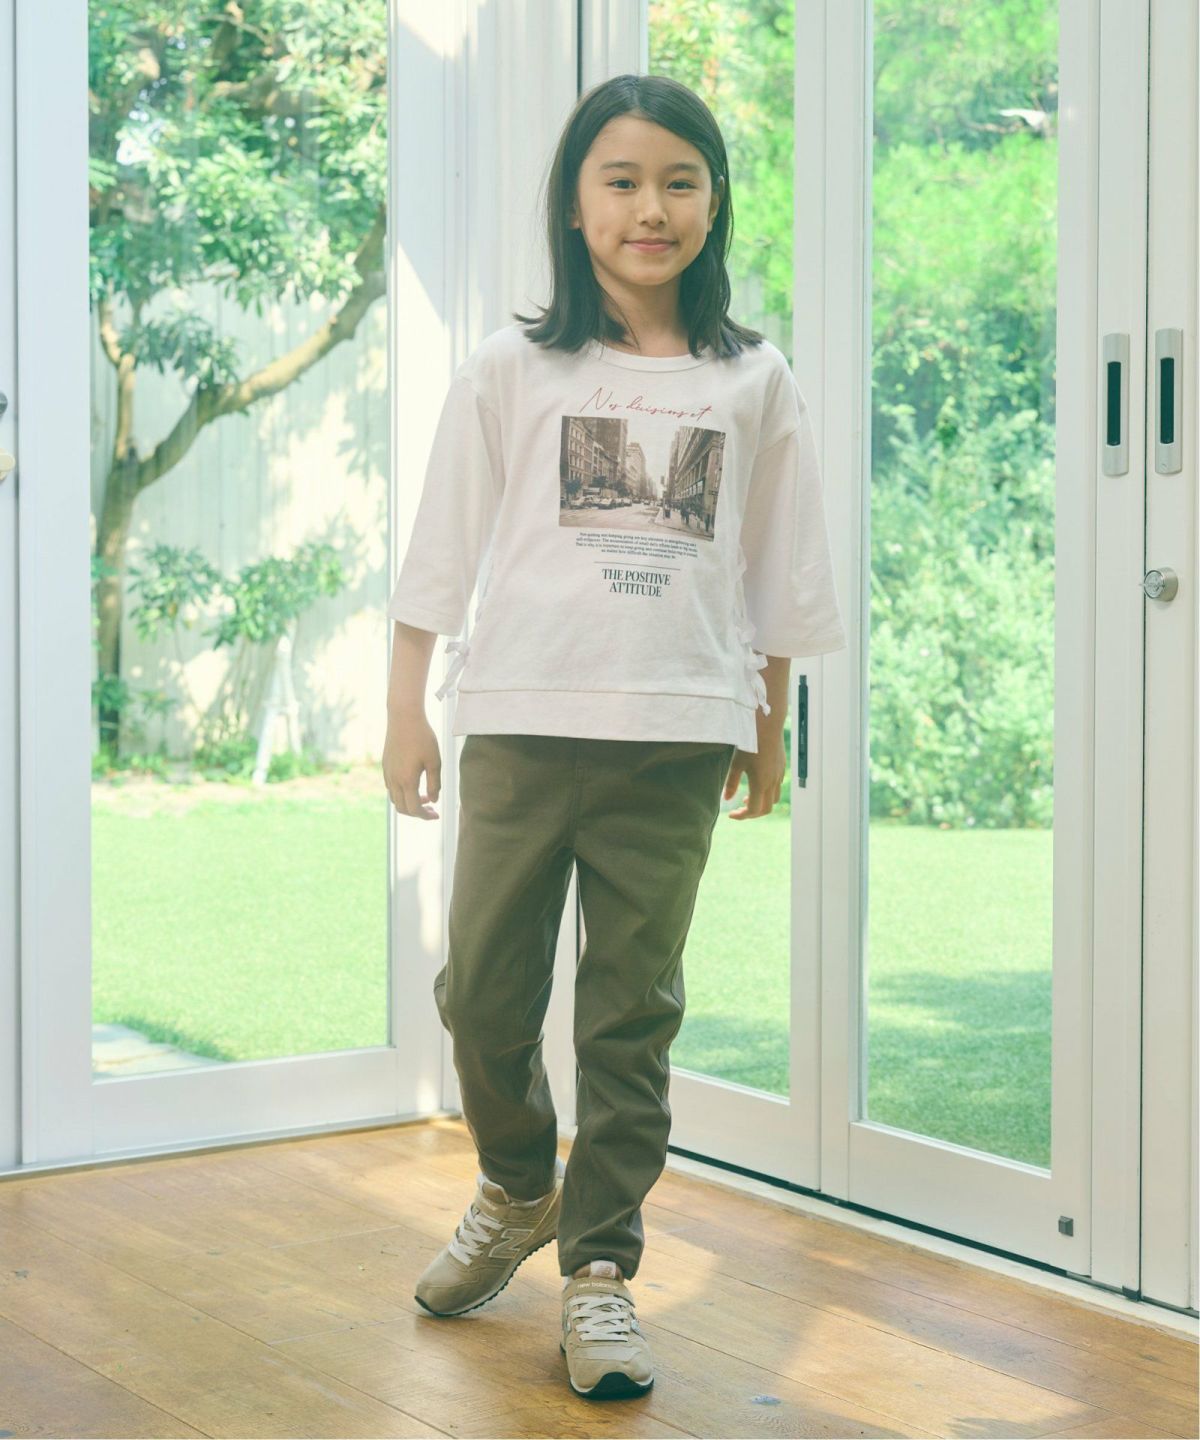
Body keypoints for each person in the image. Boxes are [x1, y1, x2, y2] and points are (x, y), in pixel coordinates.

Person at [381, 73, 846, 1402]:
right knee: (483, 994)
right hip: (522, 722)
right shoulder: (513, 367)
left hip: (678, 734)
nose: (653, 208)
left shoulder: (752, 377)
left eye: (680, 182)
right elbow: (442, 544)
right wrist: (405, 705)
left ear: (715, 203)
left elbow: (777, 568)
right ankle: (517, 1182)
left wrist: (769, 727)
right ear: (575, 206)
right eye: (623, 181)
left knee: (630, 1017)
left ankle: (598, 1272)